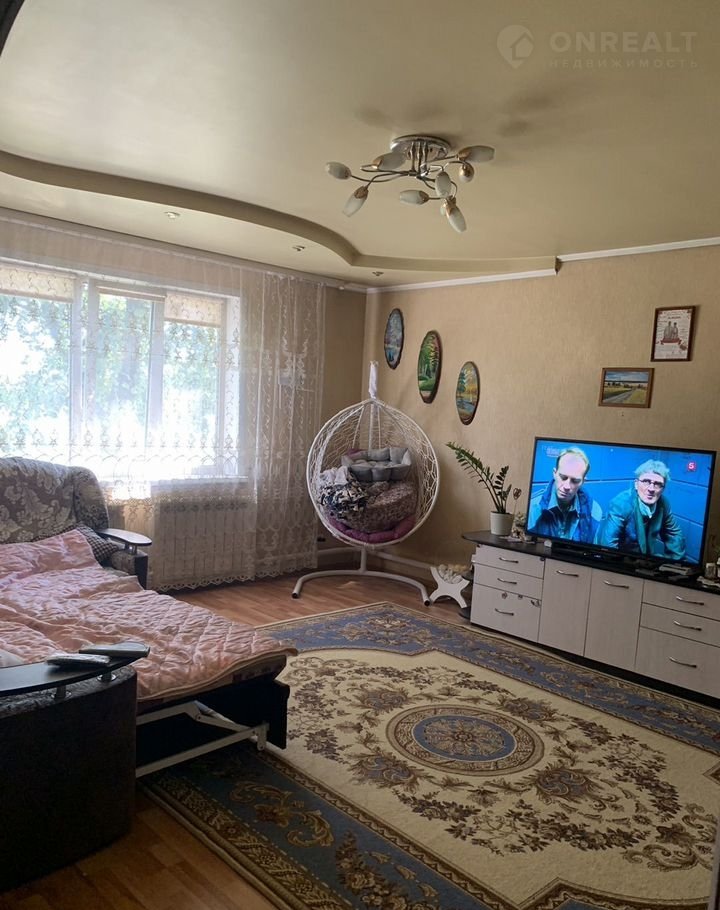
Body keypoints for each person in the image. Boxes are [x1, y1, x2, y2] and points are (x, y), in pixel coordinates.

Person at [598, 459, 686, 560]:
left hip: (643, 558)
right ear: (636, 484)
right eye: (646, 481)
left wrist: (673, 564)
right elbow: (608, 546)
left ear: (663, 489)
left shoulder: (663, 504)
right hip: (620, 558)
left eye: (658, 484)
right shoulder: (621, 504)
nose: (651, 489)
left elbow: (674, 535)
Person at [527, 447, 602, 542]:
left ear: (583, 482)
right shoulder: (534, 507)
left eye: (575, 481)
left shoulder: (594, 511)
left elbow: (591, 550)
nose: (566, 486)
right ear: (554, 473)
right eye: (563, 477)